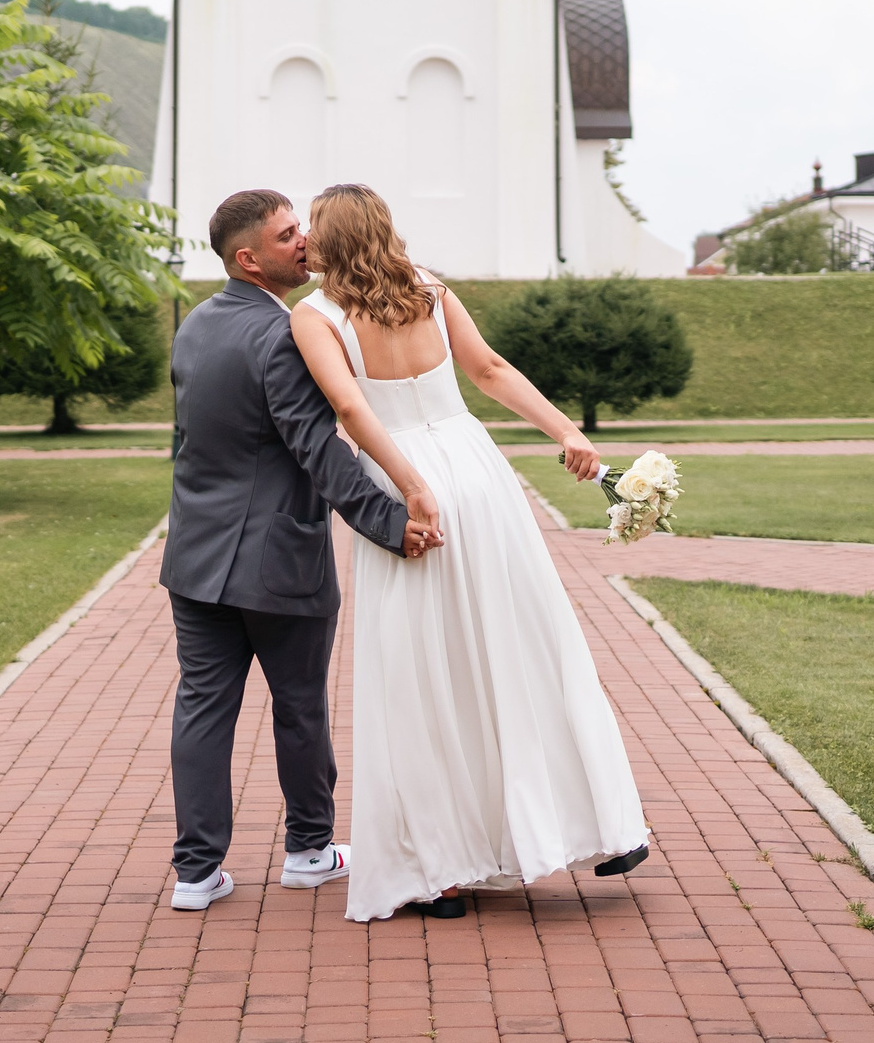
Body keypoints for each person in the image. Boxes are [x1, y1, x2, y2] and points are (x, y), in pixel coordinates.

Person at [289, 183, 650, 922]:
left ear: (332, 238)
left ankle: (440, 871)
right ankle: (599, 824)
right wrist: (565, 431)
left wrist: (409, 485)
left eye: (312, 229)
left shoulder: (315, 315)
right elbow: (488, 370)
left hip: (404, 479)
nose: (305, 243)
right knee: (524, 643)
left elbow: (352, 410)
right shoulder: (428, 288)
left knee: (421, 670)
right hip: (480, 475)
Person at [162, 189, 441, 912]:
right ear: (249, 257)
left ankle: (195, 873)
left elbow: (187, 444)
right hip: (278, 557)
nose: (306, 241)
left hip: (194, 556)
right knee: (299, 706)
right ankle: (311, 850)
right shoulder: (285, 334)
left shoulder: (192, 327)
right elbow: (319, 446)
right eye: (289, 235)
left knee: (202, 707)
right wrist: (389, 520)